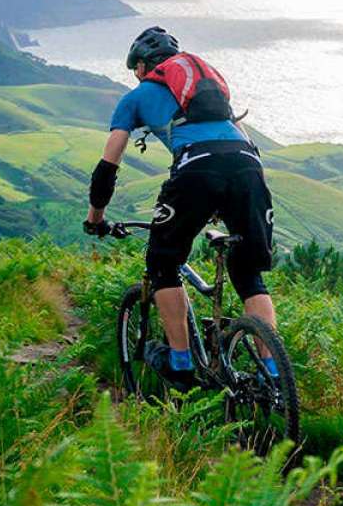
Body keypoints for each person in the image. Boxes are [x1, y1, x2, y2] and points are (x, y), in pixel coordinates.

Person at [84, 27, 277, 390]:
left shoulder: (137, 96)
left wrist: (96, 217)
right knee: (249, 273)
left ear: (142, 66)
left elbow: (108, 165)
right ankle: (273, 376)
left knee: (162, 263)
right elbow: (240, 146)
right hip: (249, 169)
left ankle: (181, 363)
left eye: (135, 70)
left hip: (196, 169)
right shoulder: (211, 95)